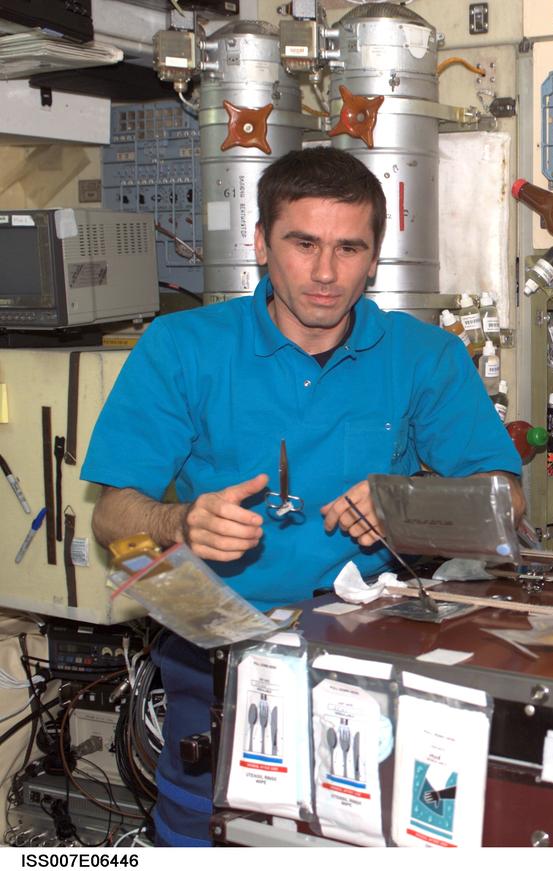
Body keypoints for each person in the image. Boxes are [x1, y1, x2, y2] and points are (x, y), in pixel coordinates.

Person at [82, 147, 522, 846]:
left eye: (349, 248)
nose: (325, 272)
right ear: (261, 244)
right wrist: (180, 521)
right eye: (303, 243)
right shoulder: (182, 347)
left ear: (375, 256)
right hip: (218, 662)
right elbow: (112, 514)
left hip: (376, 664)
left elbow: (506, 500)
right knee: (206, 835)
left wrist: (406, 501)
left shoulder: (425, 357)